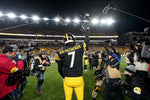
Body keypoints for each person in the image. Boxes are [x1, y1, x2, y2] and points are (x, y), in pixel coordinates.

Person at [56, 32, 89, 100]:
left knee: (68, 98)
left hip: (67, 79)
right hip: (78, 78)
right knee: (80, 98)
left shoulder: (59, 52)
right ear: (73, 39)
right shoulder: (80, 46)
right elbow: (87, 42)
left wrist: (63, 77)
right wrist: (86, 32)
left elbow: (59, 69)